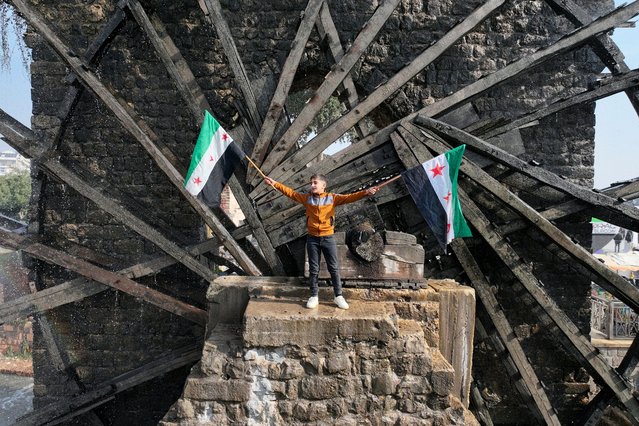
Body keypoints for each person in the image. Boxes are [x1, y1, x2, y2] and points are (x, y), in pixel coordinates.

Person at [264, 174, 378, 309]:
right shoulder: (307, 199)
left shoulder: (332, 198)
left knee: (333, 268)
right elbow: (291, 193)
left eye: (315, 183)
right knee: (314, 269)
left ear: (323, 186)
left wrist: (365, 193)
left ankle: (338, 296)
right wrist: (274, 183)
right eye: (311, 183)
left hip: (328, 238)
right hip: (312, 239)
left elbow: (349, 198)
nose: (312, 185)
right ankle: (313, 296)